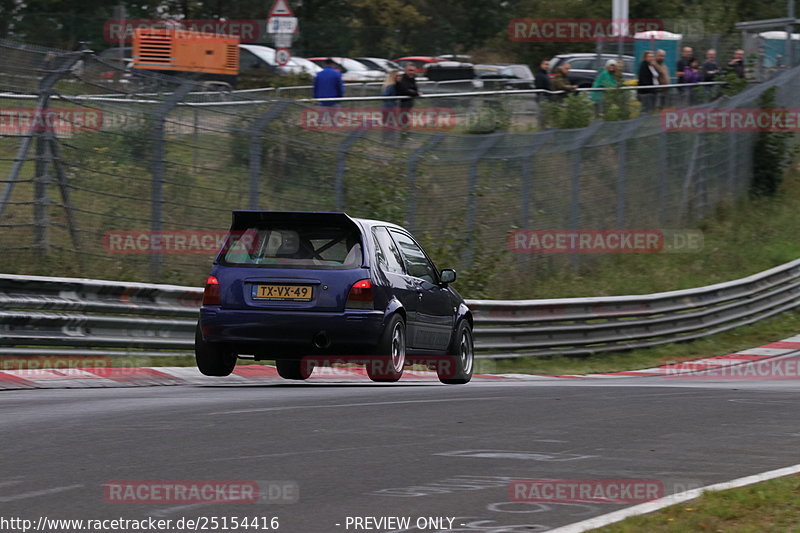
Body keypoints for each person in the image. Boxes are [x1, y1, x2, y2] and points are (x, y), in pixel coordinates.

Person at [380, 70, 401, 138]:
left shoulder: (393, 85)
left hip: (389, 108)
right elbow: (385, 96)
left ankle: (387, 139)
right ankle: (389, 140)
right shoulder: (391, 86)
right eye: (397, 76)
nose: (399, 77)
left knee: (388, 125)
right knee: (390, 125)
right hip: (389, 108)